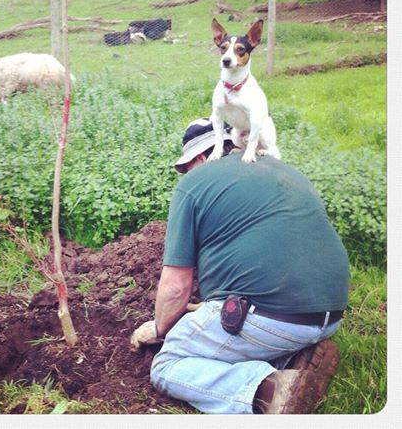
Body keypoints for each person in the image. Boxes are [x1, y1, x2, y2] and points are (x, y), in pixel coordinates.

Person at [130, 117, 350, 414]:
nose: (185, 173)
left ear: (199, 157)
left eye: (185, 166)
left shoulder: (194, 184)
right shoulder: (288, 172)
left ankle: (270, 391)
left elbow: (176, 284)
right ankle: (293, 359)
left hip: (272, 318)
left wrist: (159, 329)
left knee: (169, 364)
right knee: (233, 332)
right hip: (330, 314)